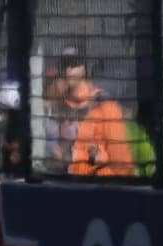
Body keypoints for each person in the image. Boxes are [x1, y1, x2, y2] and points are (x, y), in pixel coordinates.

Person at [51, 49, 133, 177]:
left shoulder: (106, 106)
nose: (68, 70)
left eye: (73, 64)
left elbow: (123, 167)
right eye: (64, 65)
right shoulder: (61, 107)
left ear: (84, 68)